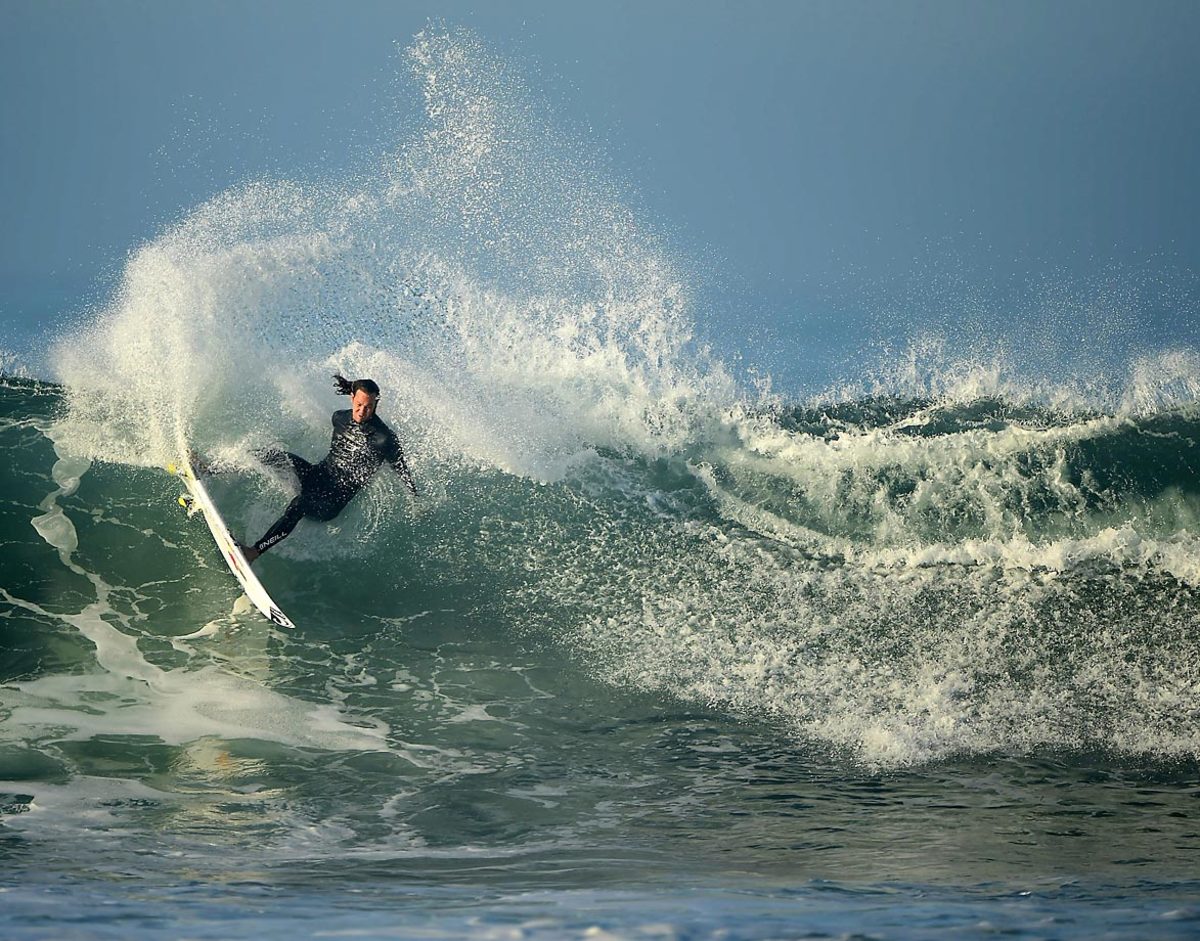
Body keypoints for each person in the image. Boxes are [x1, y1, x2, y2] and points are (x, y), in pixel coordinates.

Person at [239, 375, 418, 564]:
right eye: (359, 404)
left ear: (375, 404)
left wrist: (415, 499)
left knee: (299, 504)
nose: (362, 411)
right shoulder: (339, 417)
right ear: (352, 397)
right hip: (316, 477)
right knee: (275, 455)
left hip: (332, 502)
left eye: (368, 407)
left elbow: (401, 470)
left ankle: (254, 552)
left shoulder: (385, 439)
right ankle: (213, 469)